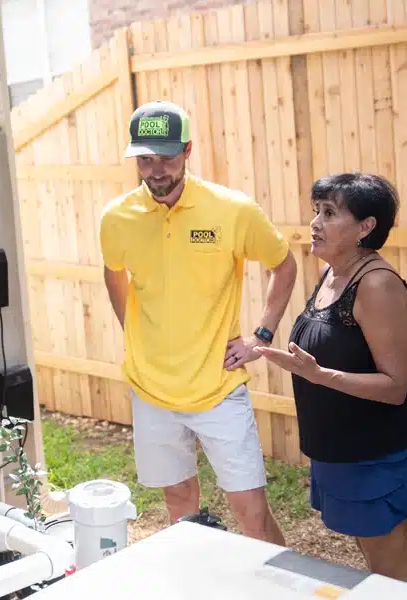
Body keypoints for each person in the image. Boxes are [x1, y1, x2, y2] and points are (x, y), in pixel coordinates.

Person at [99, 100, 297, 546]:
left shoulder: (233, 210)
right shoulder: (117, 218)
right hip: (151, 388)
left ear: (188, 150)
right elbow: (114, 274)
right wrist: (132, 332)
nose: (155, 171)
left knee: (251, 511)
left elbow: (283, 265)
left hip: (218, 385)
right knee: (178, 498)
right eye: (145, 160)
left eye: (166, 157)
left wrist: (261, 337)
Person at [255, 172, 407, 584]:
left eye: (330, 213)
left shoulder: (377, 285)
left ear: (365, 226)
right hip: (341, 451)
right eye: (316, 211)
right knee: (375, 571)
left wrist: (319, 375)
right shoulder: (332, 274)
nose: (315, 223)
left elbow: (394, 387)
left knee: (393, 578)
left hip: (379, 456)